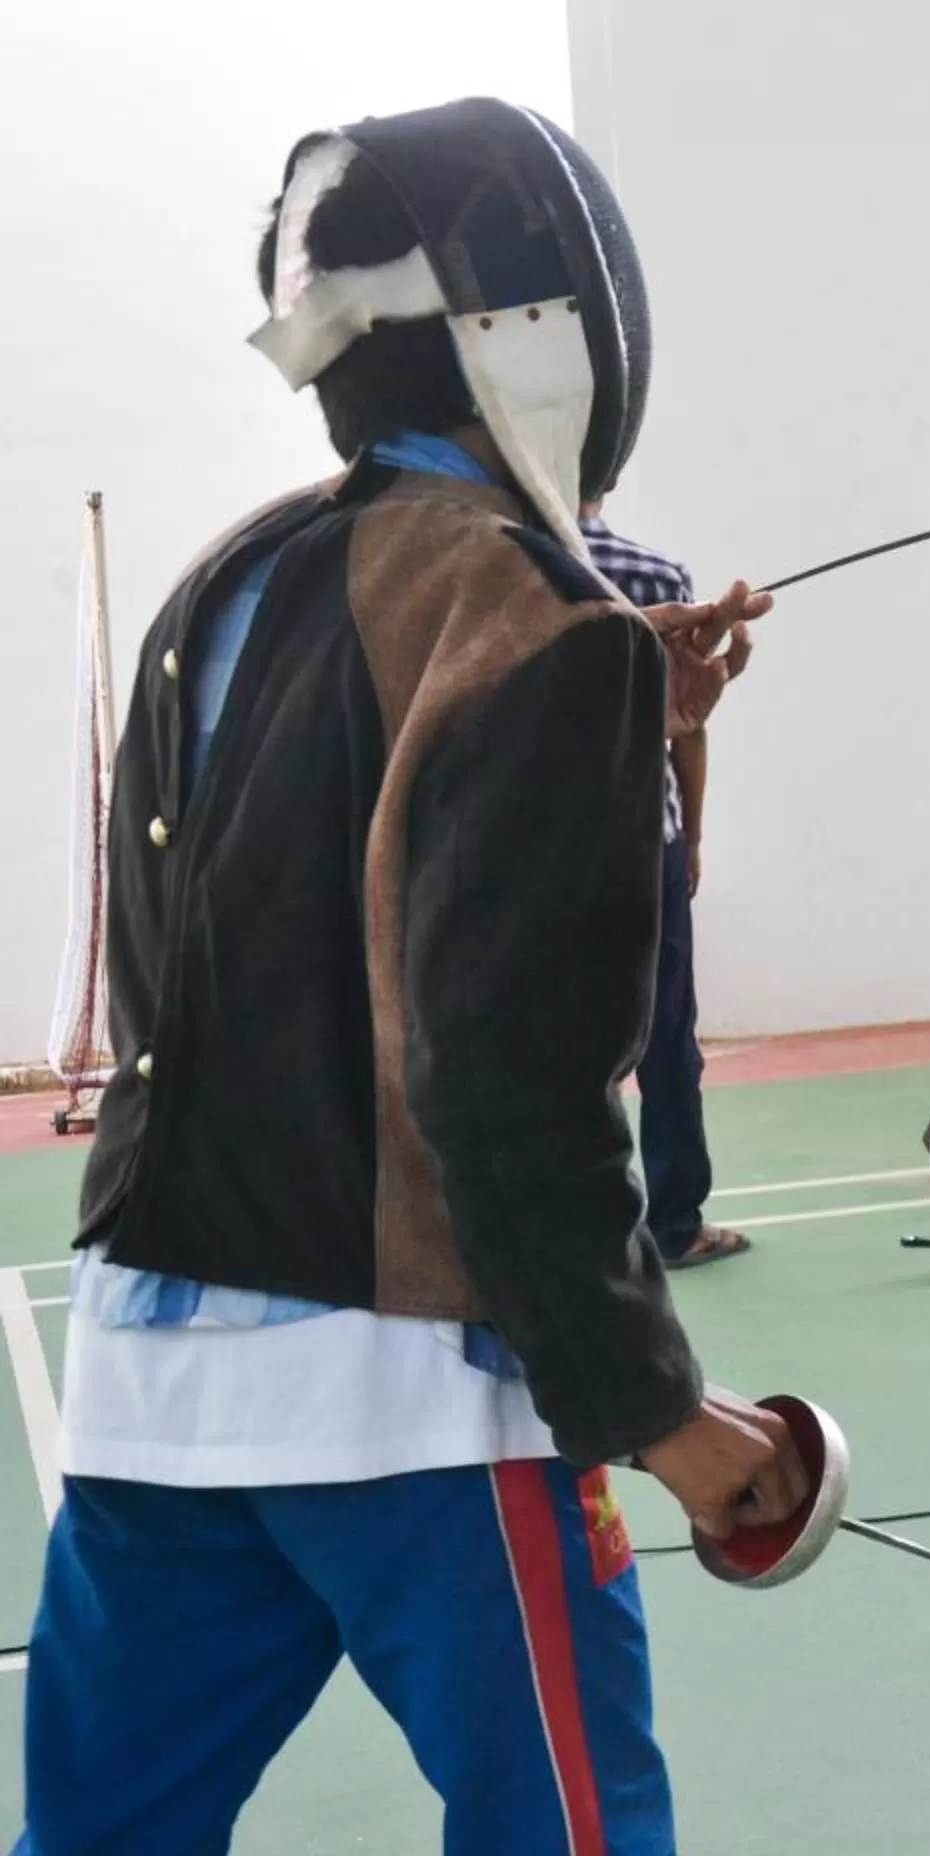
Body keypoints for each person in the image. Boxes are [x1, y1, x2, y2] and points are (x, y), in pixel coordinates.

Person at [18, 98, 800, 1856]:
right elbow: (494, 1071)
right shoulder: (539, 621)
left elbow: (287, 935)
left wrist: (634, 723)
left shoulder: (221, 581)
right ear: (548, 329)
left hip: (152, 1385)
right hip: (417, 1414)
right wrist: (656, 1414)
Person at [580, 496, 743, 1268]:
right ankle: (676, 1224)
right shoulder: (654, 575)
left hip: (547, 850)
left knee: (568, 1042)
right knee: (666, 1037)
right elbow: (691, 721)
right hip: (652, 842)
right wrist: (696, 833)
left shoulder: (510, 575)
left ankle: (585, 1231)